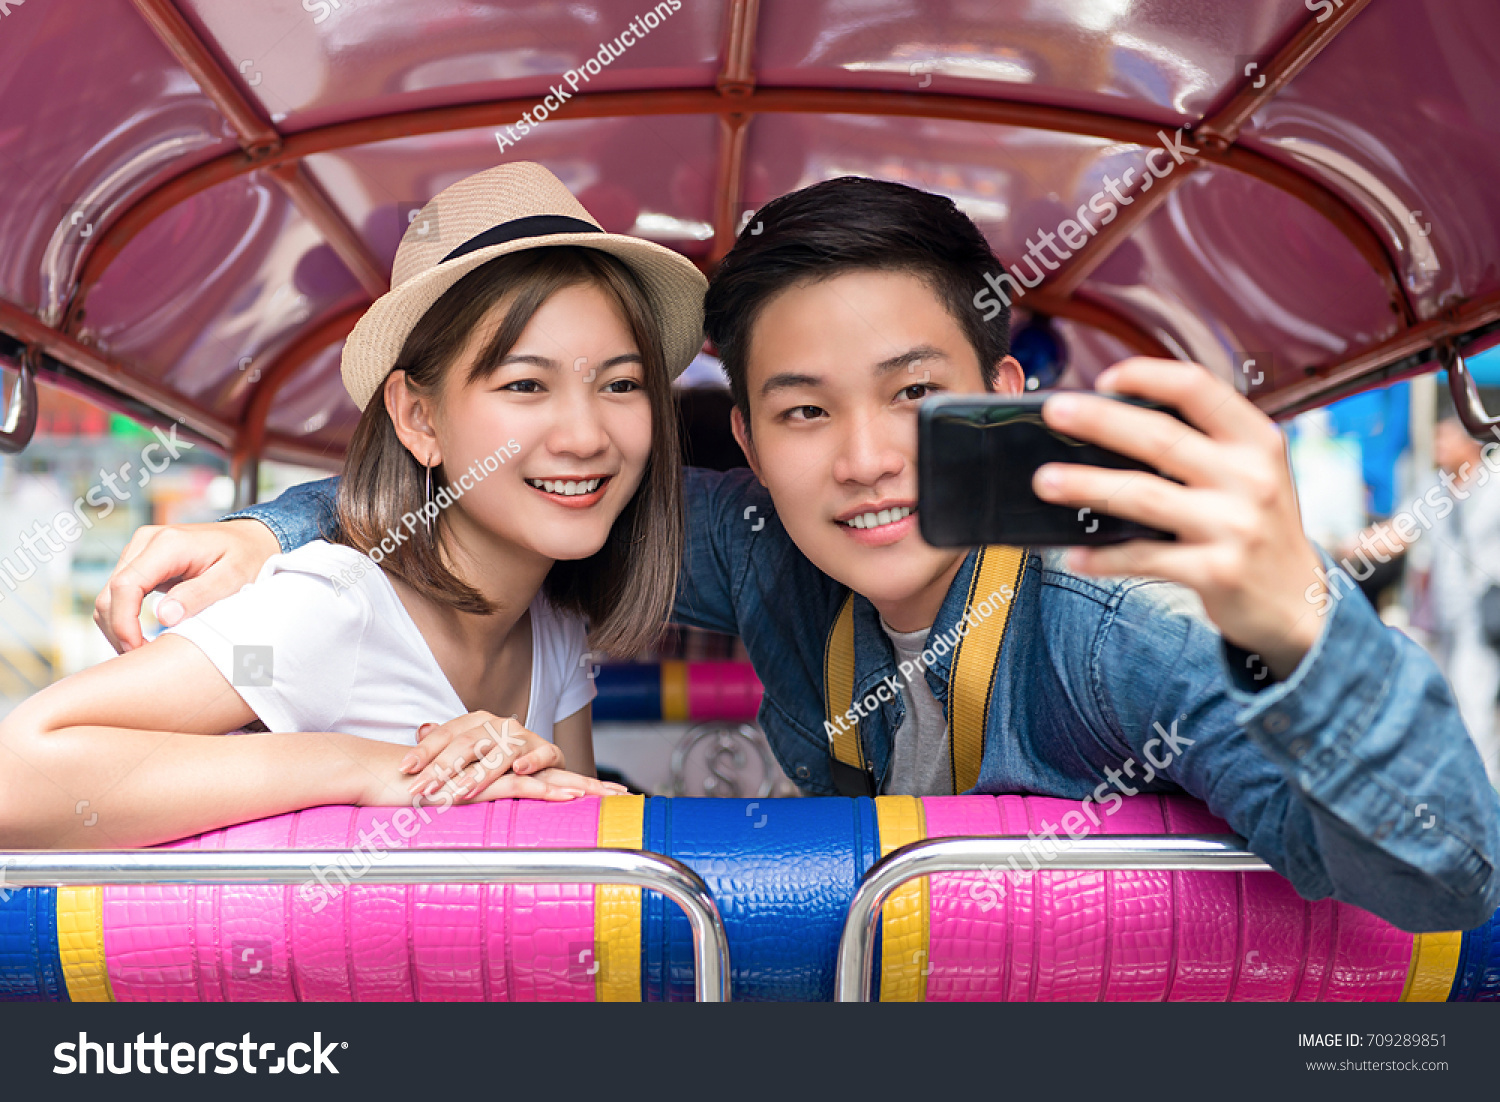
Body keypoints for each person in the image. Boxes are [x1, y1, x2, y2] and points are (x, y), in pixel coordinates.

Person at [91, 177, 1500, 932]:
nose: (867, 457)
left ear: (998, 388)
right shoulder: (762, 543)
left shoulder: (1122, 631)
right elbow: (515, 493)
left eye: (912, 395)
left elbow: (1443, 877)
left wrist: (1302, 625)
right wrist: (262, 527)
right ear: (749, 450)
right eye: (804, 411)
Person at [0, 161, 712, 848]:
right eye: (525, 386)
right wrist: (360, 767)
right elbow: (17, 775)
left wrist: (527, 766)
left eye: (621, 386)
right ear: (419, 420)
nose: (586, 436)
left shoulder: (551, 623)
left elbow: (576, 874)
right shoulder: (332, 607)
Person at [1340, 412, 1500, 788]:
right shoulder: (1436, 488)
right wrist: (1348, 546)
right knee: (1439, 701)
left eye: (1446, 439)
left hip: (1482, 614)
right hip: (1440, 615)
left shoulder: (1493, 485)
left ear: (1470, 443)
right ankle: (1453, 787)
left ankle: (1481, 795)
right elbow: (1400, 533)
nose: (1439, 447)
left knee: (1473, 703)